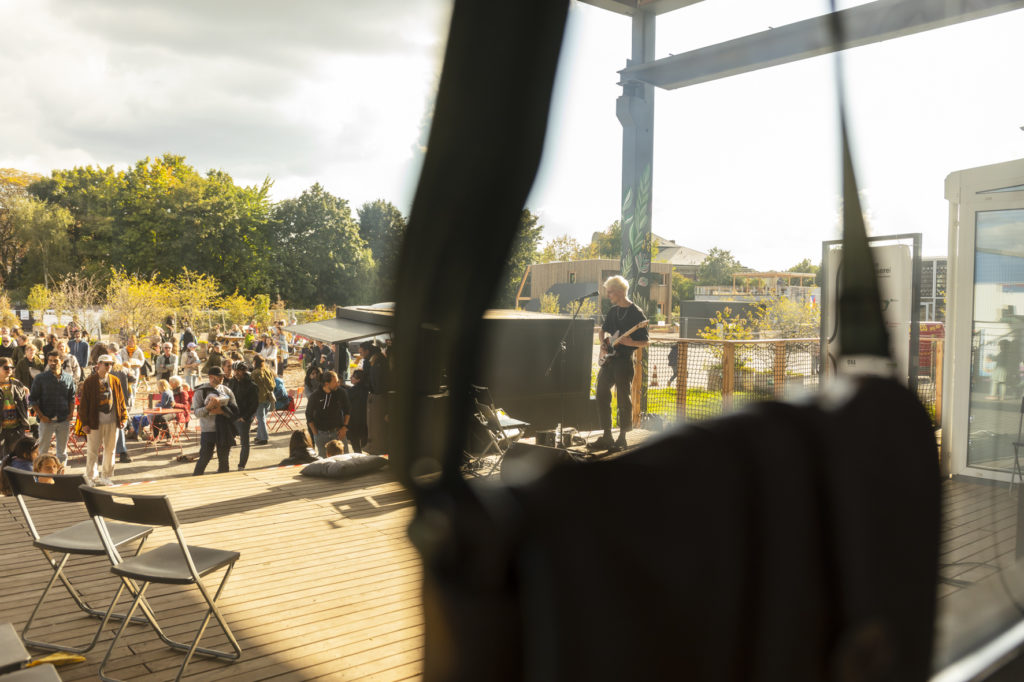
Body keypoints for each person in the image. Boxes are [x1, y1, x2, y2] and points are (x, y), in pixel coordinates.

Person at [590, 275, 649, 452]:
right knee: (601, 393)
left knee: (623, 399)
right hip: (609, 361)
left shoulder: (636, 314)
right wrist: (603, 343)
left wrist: (630, 342)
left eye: (610, 292)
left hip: (623, 362)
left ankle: (622, 437)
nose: (608, 295)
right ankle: (607, 435)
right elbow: (602, 330)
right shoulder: (613, 311)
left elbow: (645, 341)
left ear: (620, 292)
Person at [79, 354, 129, 486]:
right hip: (95, 421)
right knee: (92, 450)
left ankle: (106, 476)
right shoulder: (90, 381)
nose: (109, 366)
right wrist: (84, 423)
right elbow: (84, 404)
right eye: (106, 364)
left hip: (112, 421)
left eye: (110, 364)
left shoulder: (115, 380)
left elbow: (121, 401)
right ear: (99, 364)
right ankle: (91, 476)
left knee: (110, 450)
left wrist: (123, 418)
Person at [29, 350, 76, 465]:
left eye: (55, 360)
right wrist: (41, 416)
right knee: (43, 451)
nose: (52, 363)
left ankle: (61, 474)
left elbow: (72, 397)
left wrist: (71, 413)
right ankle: (41, 475)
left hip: (63, 419)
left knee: (62, 452)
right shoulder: (40, 378)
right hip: (46, 420)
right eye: (50, 361)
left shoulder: (69, 378)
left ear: (61, 361)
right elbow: (32, 399)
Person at [191, 366, 238, 476]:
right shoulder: (200, 391)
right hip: (208, 430)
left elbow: (235, 410)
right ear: (211, 377)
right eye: (219, 376)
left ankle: (223, 485)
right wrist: (207, 408)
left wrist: (222, 411)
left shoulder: (227, 390)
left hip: (224, 429)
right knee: (205, 458)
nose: (222, 378)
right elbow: (196, 413)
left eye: (222, 376)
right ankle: (195, 480)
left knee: (224, 460)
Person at [306, 370, 351, 457]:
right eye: (335, 382)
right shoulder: (315, 396)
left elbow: (347, 411)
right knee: (324, 461)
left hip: (338, 433)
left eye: (338, 381)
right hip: (321, 434)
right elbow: (308, 414)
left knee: (344, 458)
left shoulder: (341, 393)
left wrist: (344, 428)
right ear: (327, 384)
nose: (338, 384)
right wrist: (315, 433)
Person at [227, 361, 258, 470]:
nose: (236, 373)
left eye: (238, 371)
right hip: (232, 415)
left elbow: (254, 405)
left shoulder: (252, 385)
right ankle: (225, 463)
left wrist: (245, 417)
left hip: (244, 418)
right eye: (235, 371)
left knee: (244, 442)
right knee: (227, 438)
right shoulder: (232, 382)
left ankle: (241, 466)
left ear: (244, 371)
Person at [362, 341, 390, 456]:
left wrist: (374, 391)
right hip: (378, 394)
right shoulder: (377, 359)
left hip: (379, 396)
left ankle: (377, 448)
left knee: (376, 426)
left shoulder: (376, 361)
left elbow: (377, 382)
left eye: (361, 352)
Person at [0, 357, 30, 458]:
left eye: (11, 367)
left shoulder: (17, 384)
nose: (9, 370)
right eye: (6, 367)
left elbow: (25, 405)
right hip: (1, 429)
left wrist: (24, 423)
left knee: (17, 457)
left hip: (16, 428)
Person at [252, 355, 275, 446]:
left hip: (259, 398)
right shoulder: (268, 370)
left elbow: (252, 386)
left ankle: (264, 438)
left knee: (260, 419)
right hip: (269, 397)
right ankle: (259, 436)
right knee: (263, 418)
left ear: (255, 362)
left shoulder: (255, 372)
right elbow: (273, 384)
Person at [346, 369, 370, 453]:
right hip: (365, 418)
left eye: (353, 377)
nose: (351, 377)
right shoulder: (367, 389)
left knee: (354, 441)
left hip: (354, 419)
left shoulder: (352, 391)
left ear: (358, 379)